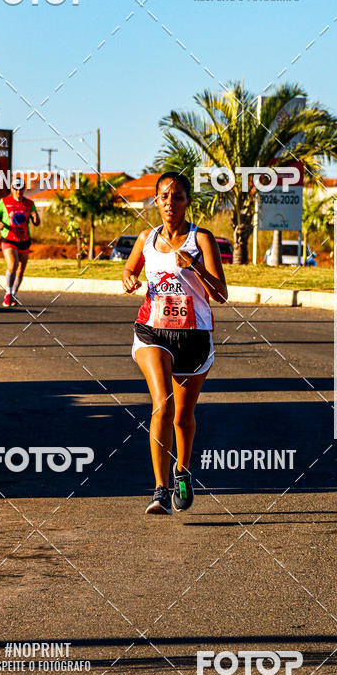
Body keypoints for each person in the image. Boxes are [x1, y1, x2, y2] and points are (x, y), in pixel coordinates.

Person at [123, 171, 228, 515]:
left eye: (178, 196)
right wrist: (129, 278)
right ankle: (160, 490)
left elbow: (221, 295)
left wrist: (195, 266)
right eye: (164, 196)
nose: (170, 203)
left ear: (187, 202)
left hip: (194, 336)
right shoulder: (146, 238)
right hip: (152, 330)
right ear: (156, 201)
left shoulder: (202, 239)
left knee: (183, 416)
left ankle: (182, 471)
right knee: (162, 406)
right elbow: (129, 270)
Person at [0, 174, 39, 307]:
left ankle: (13, 295)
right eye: (16, 189)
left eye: (21, 189)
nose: (18, 192)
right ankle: (8, 293)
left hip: (24, 239)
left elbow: (36, 221)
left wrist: (35, 217)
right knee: (13, 264)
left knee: (21, 269)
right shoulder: (4, 202)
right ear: (11, 188)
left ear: (24, 189)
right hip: (8, 238)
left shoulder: (30, 204)